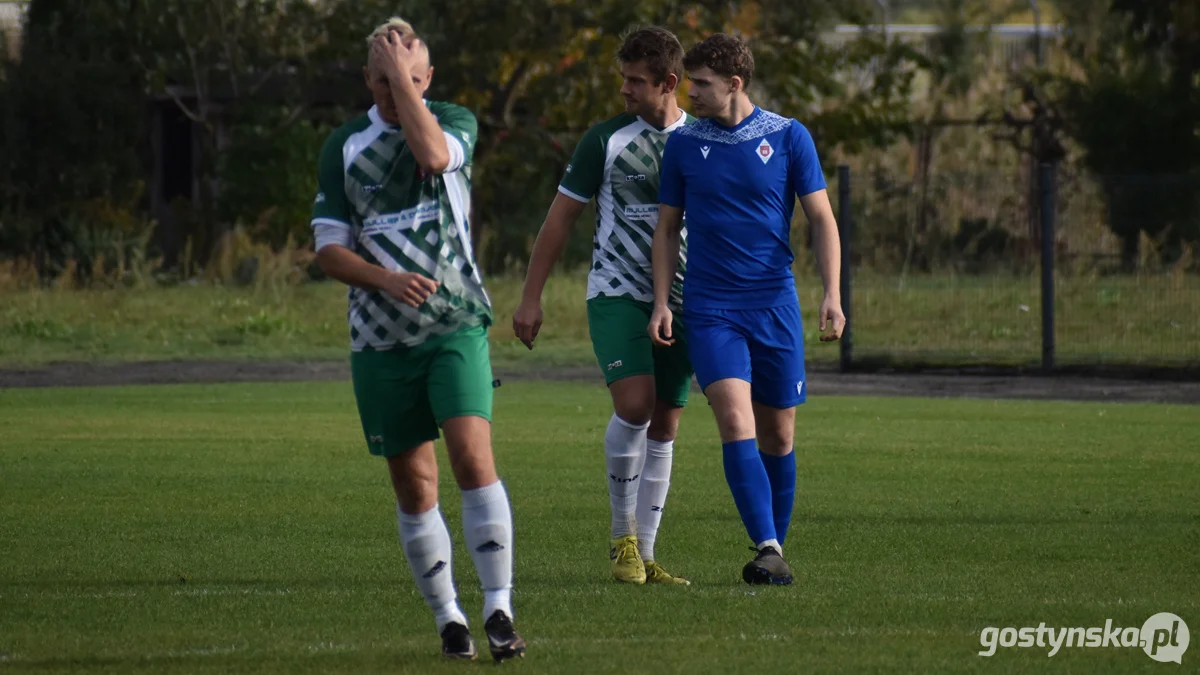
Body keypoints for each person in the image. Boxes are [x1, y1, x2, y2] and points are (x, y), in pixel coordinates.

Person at [310, 17, 525, 661]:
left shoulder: (453, 120)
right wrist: (383, 278)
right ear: (365, 79)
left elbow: (432, 156)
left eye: (404, 77)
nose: (389, 90)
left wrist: (403, 86)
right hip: (380, 341)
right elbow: (327, 250)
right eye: (379, 79)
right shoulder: (343, 145)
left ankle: (499, 608)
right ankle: (449, 618)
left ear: (426, 79)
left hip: (455, 325)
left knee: (471, 460)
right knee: (415, 486)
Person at [648, 33, 846, 586]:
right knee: (734, 419)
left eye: (703, 84)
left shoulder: (788, 136)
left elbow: (823, 220)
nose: (691, 94)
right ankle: (766, 543)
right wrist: (663, 301)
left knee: (778, 436)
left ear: (735, 83)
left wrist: (831, 294)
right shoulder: (685, 145)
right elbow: (667, 230)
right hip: (710, 307)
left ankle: (772, 552)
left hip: (774, 304)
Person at [512, 27, 694, 586]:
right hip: (617, 292)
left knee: (666, 421)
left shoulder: (703, 140)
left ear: (669, 83)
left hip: (687, 299)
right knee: (636, 404)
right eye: (623, 80)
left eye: (636, 81)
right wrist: (530, 296)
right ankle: (622, 539)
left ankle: (649, 551)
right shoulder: (606, 140)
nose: (625, 90)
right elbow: (560, 218)